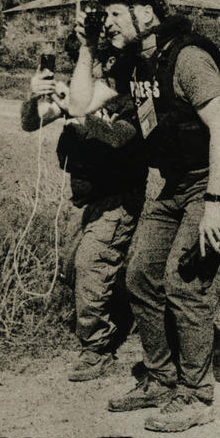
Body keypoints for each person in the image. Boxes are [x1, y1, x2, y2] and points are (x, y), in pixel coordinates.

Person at [64, 0, 220, 434]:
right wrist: (88, 49)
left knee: (184, 283)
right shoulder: (134, 64)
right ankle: (161, 377)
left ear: (146, 14)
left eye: (113, 12)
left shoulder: (188, 58)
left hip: (216, 181)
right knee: (140, 274)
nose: (106, 22)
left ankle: (196, 394)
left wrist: (213, 205)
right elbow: (79, 104)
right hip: (175, 183)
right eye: (103, 14)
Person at [20, 31, 147, 383]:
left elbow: (120, 139)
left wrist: (80, 115)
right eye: (92, 61)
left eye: (104, 63)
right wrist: (36, 96)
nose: (97, 68)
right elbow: (31, 122)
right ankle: (118, 318)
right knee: (74, 267)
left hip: (119, 196)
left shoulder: (133, 94)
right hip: (86, 196)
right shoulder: (83, 92)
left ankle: (96, 350)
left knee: (92, 265)